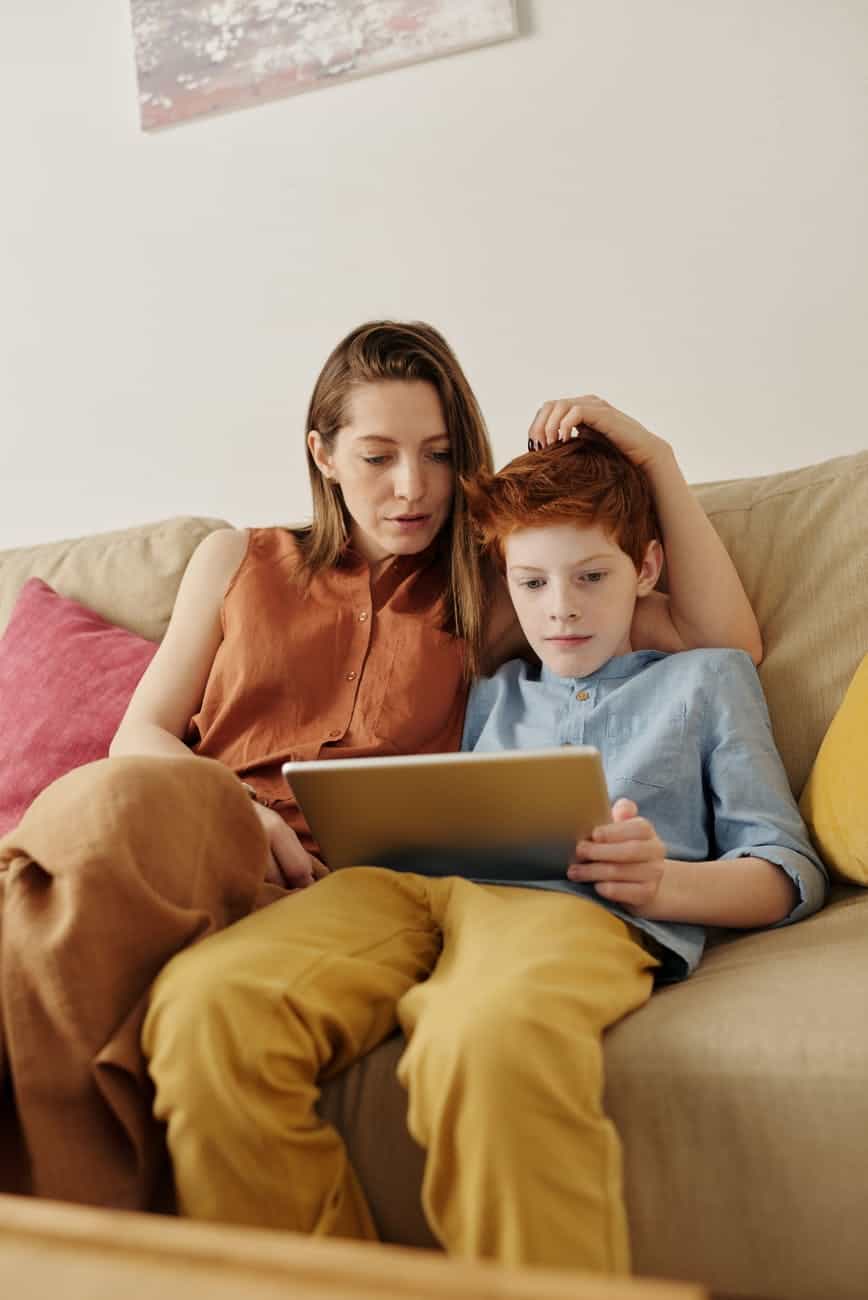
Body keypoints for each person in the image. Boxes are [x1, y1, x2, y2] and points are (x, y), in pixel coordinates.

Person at [0, 321, 760, 1219]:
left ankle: (63, 1238)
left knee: (64, 935)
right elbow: (142, 736)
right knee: (109, 812)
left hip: (337, 889)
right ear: (321, 454)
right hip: (200, 824)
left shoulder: (497, 587)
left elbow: (719, 645)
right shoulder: (236, 559)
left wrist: (656, 458)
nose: (412, 488)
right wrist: (250, 814)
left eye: (439, 456)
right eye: (377, 455)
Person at [138, 386, 822, 1273]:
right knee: (204, 1006)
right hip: (409, 884)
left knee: (481, 1037)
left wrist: (668, 885)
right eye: (532, 584)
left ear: (646, 570)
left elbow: (783, 863)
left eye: (592, 579)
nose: (561, 610)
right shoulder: (494, 682)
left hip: (575, 906)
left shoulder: (704, 678)